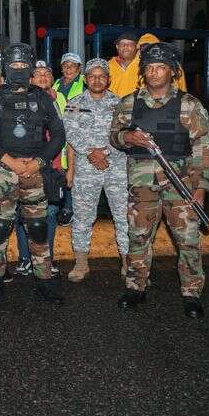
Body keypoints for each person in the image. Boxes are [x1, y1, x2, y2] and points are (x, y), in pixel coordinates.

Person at [110, 42, 209, 319]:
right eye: (150, 67)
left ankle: (192, 293)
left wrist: (201, 188)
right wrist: (128, 137)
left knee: (188, 239)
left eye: (161, 67)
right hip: (141, 184)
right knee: (138, 237)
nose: (154, 72)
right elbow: (114, 136)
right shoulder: (129, 103)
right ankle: (136, 287)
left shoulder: (190, 105)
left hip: (181, 184)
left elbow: (203, 148)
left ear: (172, 72)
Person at [0, 44, 66, 304]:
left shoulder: (43, 98)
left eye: (22, 66)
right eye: (13, 66)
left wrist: (39, 162)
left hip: (35, 171)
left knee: (38, 228)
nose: (18, 70)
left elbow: (58, 134)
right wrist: (9, 161)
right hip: (4, 171)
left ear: (30, 68)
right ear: (6, 68)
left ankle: (44, 281)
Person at [64, 58, 129, 282]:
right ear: (85, 79)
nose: (97, 80)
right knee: (82, 217)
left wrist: (105, 153)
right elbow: (70, 132)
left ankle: (127, 263)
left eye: (102, 76)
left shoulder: (120, 104)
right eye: (92, 76)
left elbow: (125, 134)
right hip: (86, 168)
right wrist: (91, 153)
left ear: (108, 80)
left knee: (123, 216)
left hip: (116, 168)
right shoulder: (74, 103)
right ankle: (81, 264)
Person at [109, 32, 188, 96]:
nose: (149, 52)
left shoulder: (172, 66)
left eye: (152, 48)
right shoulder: (140, 65)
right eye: (144, 48)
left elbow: (180, 90)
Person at [108, 31, 139, 97]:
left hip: (137, 103)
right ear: (117, 46)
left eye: (130, 44)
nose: (126, 46)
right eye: (122, 44)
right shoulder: (107, 66)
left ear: (137, 46)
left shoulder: (144, 66)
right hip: (113, 103)